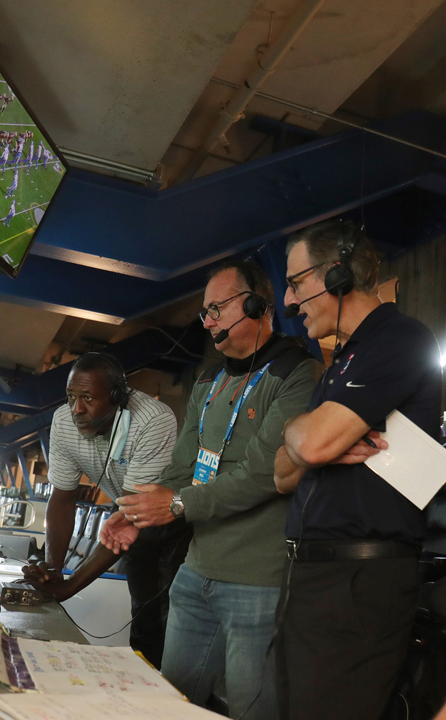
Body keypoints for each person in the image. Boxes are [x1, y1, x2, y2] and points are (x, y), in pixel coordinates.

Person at [101, 260, 321, 720]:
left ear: (256, 304)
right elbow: (184, 466)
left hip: (257, 583)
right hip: (195, 572)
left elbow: (265, 473)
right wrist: (140, 511)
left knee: (249, 710)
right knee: (170, 704)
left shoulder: (298, 372)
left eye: (217, 308)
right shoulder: (209, 381)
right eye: (205, 312)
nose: (208, 321)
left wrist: (177, 504)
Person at [274, 219, 442, 720]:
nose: (288, 300)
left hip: (357, 582)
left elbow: (314, 444)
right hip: (311, 576)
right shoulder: (343, 361)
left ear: (338, 275)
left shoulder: (400, 338)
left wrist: (309, 441)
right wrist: (298, 434)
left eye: (296, 282)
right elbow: (282, 472)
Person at [22, 352, 190, 669]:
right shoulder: (64, 421)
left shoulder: (152, 421)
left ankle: (174, 689)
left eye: (87, 398)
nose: (76, 409)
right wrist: (53, 570)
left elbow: (130, 517)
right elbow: (63, 498)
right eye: (71, 396)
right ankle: (143, 688)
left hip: (174, 519)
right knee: (143, 616)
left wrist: (68, 588)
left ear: (116, 397)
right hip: (126, 511)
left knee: (173, 617)